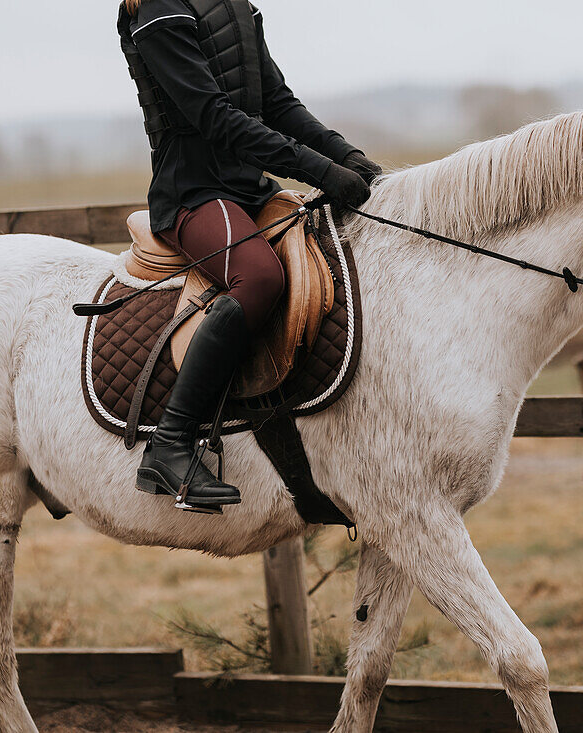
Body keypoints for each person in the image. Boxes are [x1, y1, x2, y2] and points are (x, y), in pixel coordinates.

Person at [118, 0, 381, 511]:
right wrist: (320, 172)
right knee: (259, 277)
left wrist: (346, 156)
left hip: (249, 190)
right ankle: (170, 443)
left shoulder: (234, 5)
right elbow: (213, 117)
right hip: (193, 194)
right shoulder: (156, 10)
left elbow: (278, 102)